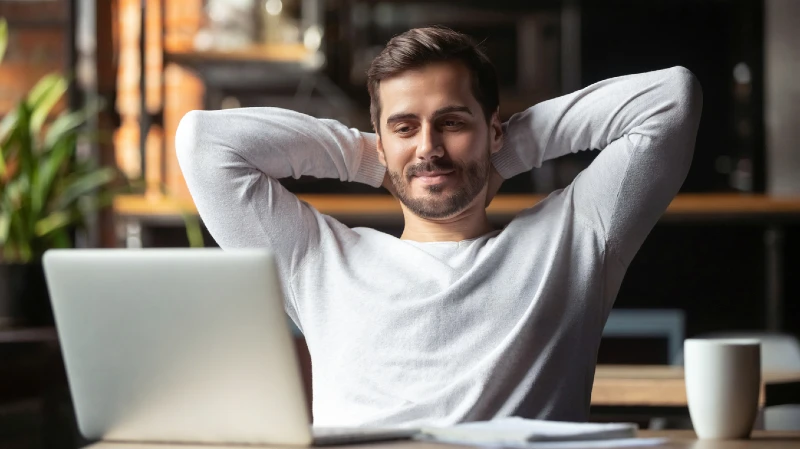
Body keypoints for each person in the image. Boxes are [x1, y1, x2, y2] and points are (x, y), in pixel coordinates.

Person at [176, 27, 702, 427]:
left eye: (451, 123)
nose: (428, 147)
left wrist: (502, 153)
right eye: (405, 127)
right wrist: (371, 157)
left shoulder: (573, 238)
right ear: (381, 140)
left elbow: (671, 100)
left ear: (492, 129)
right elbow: (206, 144)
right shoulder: (316, 260)